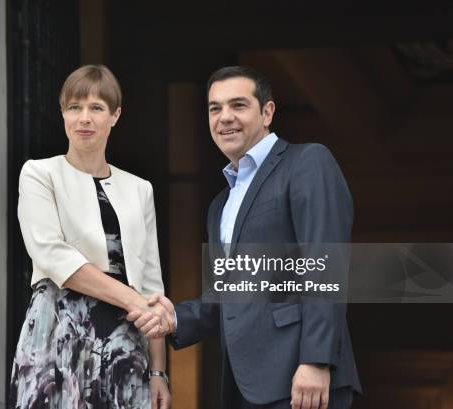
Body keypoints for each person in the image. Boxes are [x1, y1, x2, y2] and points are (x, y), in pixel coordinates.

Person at [128, 66, 361, 409]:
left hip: (301, 380)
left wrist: (316, 360)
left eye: (238, 105)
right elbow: (224, 295)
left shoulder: (307, 162)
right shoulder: (220, 204)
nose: (225, 118)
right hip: (244, 386)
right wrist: (173, 318)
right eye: (215, 108)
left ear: (267, 112)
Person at [9, 64, 172, 409]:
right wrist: (135, 302)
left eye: (96, 108)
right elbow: (53, 255)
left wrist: (159, 372)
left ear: (115, 116)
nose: (84, 118)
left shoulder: (140, 189)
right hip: (59, 328)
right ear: (63, 114)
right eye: (74, 107)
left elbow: (152, 285)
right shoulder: (39, 173)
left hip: (125, 340)